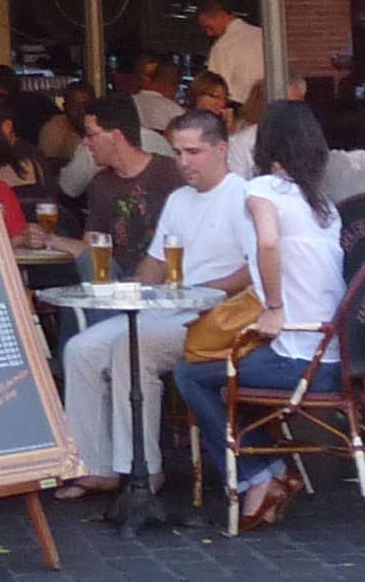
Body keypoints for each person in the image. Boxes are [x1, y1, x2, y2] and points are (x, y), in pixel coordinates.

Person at [172, 102, 350, 528]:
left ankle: (259, 473)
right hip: (334, 360)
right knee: (234, 372)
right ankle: (269, 469)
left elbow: (267, 242)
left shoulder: (264, 190)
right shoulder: (324, 206)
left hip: (296, 360)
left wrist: (273, 307)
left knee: (191, 373)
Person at [57, 105, 249, 498]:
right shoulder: (179, 199)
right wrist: (130, 293)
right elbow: (155, 265)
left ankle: (142, 470)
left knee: (132, 347)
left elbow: (254, 271)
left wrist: (206, 290)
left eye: (193, 152)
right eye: (178, 152)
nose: (184, 162)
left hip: (219, 316)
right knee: (81, 348)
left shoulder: (242, 196)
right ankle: (95, 465)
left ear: (222, 149)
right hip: (173, 309)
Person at [77, 94, 181, 274]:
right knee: (89, 259)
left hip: (166, 276)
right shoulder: (100, 184)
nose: (85, 142)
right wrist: (52, 240)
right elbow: (90, 246)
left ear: (115, 136)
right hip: (119, 282)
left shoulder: (170, 173)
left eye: (91, 134)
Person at [197, 0, 267, 105]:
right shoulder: (262, 35)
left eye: (209, 27)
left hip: (239, 107)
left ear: (220, 16)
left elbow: (215, 88)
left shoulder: (222, 47)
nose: (209, 34)